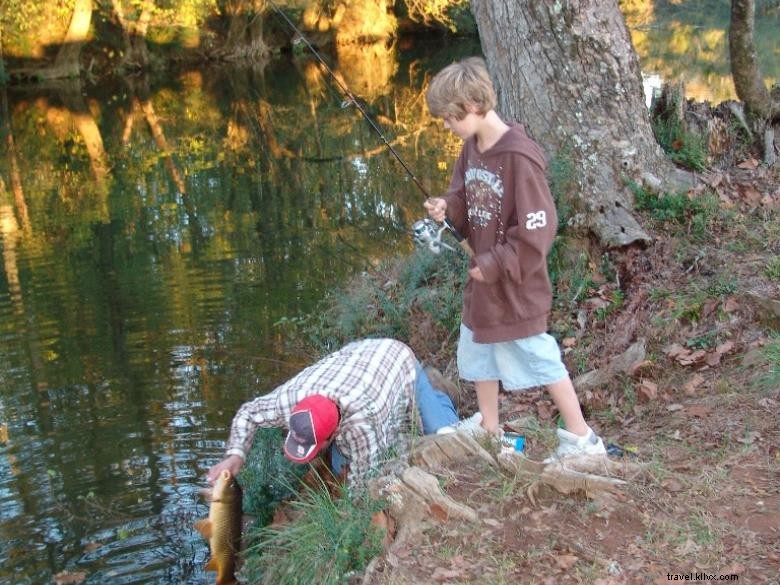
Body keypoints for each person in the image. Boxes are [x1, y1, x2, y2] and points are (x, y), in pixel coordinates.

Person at [423, 57, 606, 461]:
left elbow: (537, 231)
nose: (447, 127)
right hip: (484, 286)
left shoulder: (519, 158)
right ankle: (490, 427)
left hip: (516, 285)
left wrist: (492, 264)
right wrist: (447, 208)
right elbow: (463, 198)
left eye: (449, 119)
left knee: (539, 355)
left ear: (471, 107)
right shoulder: (471, 149)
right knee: (477, 347)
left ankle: (581, 438)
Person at [206, 338, 480, 492]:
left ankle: (436, 391)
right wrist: (235, 455)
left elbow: (366, 483)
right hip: (356, 359)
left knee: (439, 433)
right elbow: (248, 413)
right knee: (340, 468)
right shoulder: (289, 400)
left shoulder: (362, 425)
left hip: (396, 359)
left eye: (313, 447)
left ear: (330, 436)